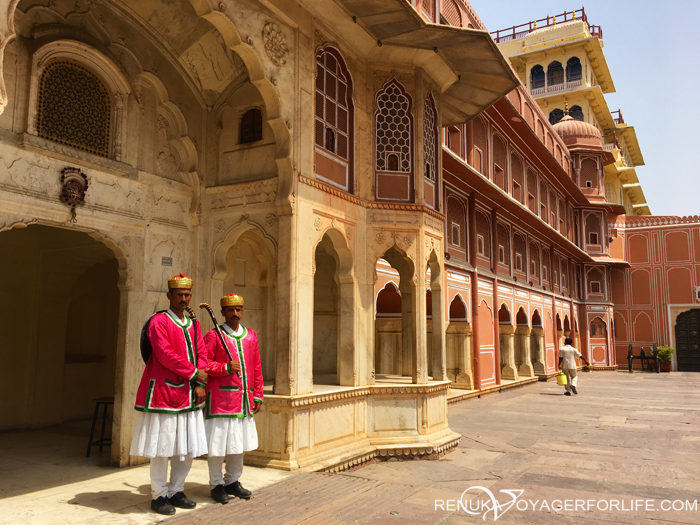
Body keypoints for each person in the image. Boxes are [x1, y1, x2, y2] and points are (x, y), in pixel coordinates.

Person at [130, 274, 209, 515]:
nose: (183, 299)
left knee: (186, 447)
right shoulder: (159, 321)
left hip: (188, 394)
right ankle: (158, 495)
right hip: (164, 393)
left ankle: (176, 490)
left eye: (187, 295)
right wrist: (194, 372)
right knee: (162, 448)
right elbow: (164, 354)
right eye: (179, 295)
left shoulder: (194, 324)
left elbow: (201, 353)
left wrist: (200, 382)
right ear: (169, 296)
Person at [203, 293, 264, 504]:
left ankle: (233, 481)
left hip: (244, 399)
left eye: (238, 309)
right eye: (231, 310)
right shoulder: (213, 335)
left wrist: (258, 395)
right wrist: (224, 367)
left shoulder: (251, 336)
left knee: (238, 445)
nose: (235, 313)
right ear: (223, 312)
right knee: (218, 445)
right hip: (221, 400)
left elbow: (256, 367)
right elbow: (204, 364)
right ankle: (216, 484)